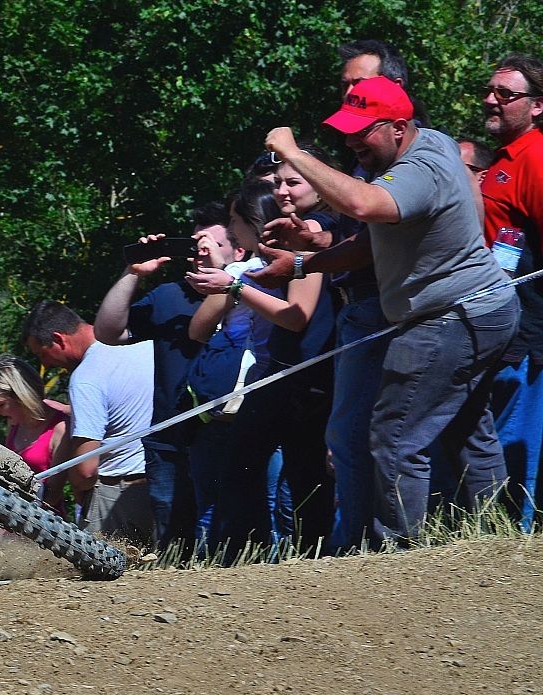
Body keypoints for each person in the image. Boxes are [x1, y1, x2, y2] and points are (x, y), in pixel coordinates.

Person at [265, 75, 520, 543]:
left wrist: (295, 154)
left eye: (363, 129)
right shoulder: (434, 144)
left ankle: (399, 554)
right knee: (468, 431)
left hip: (449, 317)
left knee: (395, 437)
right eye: (347, 128)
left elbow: (363, 206)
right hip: (483, 308)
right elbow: (369, 243)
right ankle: (498, 540)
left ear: (399, 127)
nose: (352, 139)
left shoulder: (416, 169)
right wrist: (304, 261)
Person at [187, 174, 336, 557]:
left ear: (252, 220)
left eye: (234, 221)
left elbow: (296, 317)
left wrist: (235, 288)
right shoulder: (252, 264)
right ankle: (246, 557)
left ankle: (310, 557)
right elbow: (198, 330)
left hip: (303, 379)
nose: (231, 232)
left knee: (301, 477)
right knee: (245, 468)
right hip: (273, 377)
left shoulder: (300, 249)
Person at [93, 201, 233, 548]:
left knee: (224, 524)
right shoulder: (168, 296)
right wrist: (133, 274)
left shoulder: (252, 292)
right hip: (168, 438)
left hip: (227, 430)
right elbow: (107, 331)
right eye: (195, 245)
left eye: (212, 245)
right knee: (173, 533)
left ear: (239, 249)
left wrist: (228, 281)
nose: (200, 254)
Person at [23, 301, 155, 544]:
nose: (46, 364)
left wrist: (74, 486)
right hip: (161, 482)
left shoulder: (86, 378)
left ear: (58, 339)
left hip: (116, 496)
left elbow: (85, 471)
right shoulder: (143, 346)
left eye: (43, 353)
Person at [478, 53, 543, 529]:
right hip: (494, 325)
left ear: (537, 105)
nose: (491, 100)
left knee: (515, 448)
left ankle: (511, 550)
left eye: (506, 94)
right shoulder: (504, 158)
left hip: (525, 334)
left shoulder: (536, 158)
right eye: (491, 90)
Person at [0, 355, 70, 514]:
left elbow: (53, 494)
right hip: (11, 514)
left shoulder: (60, 429)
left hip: (44, 521)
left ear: (22, 396)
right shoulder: (14, 423)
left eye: (0, 405)